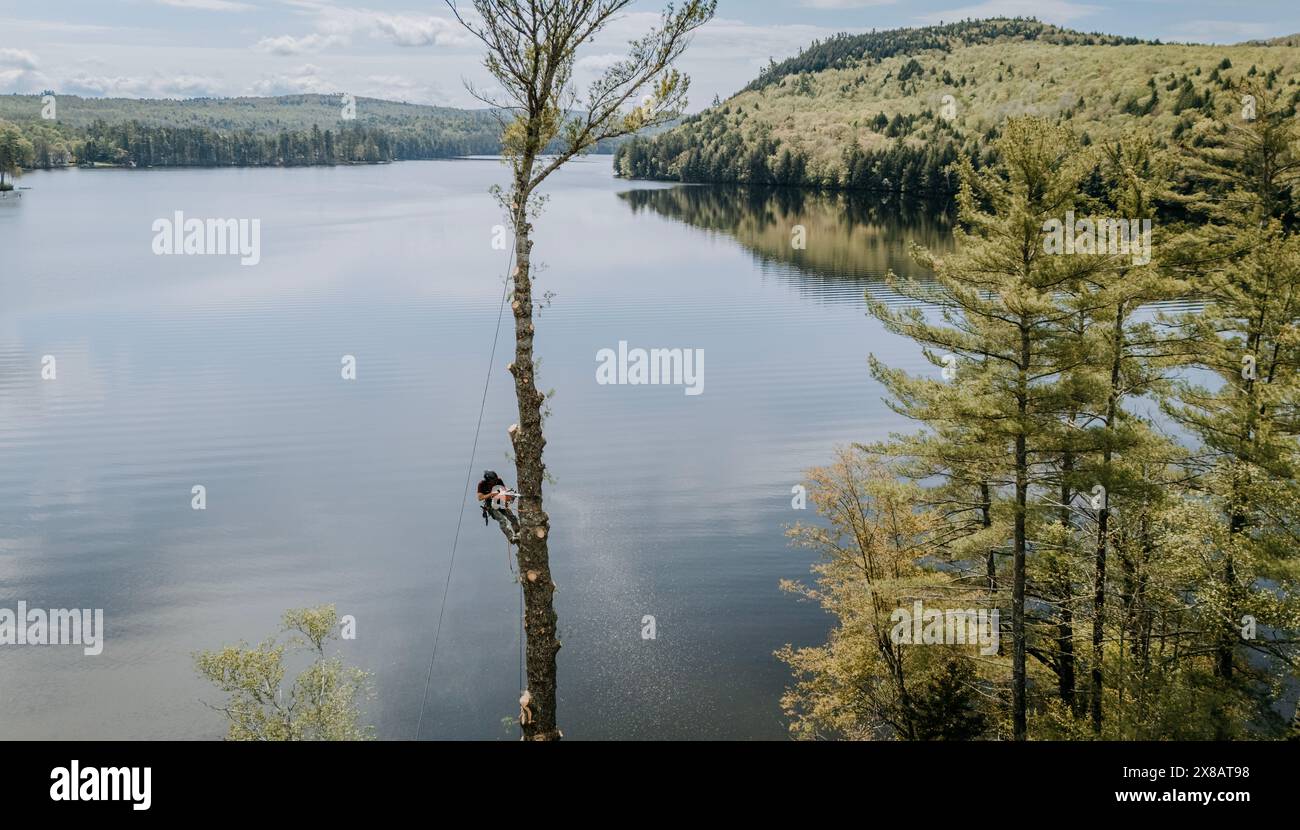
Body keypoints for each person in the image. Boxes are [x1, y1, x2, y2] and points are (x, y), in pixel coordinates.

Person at [477, 470, 520, 545]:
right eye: (493, 481)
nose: (494, 482)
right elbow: (480, 497)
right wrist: (491, 494)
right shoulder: (482, 484)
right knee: (502, 520)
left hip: (500, 502)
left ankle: (518, 532)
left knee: (512, 517)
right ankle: (511, 538)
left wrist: (509, 494)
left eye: (495, 480)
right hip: (491, 505)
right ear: (488, 480)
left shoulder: (499, 481)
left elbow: (504, 490)